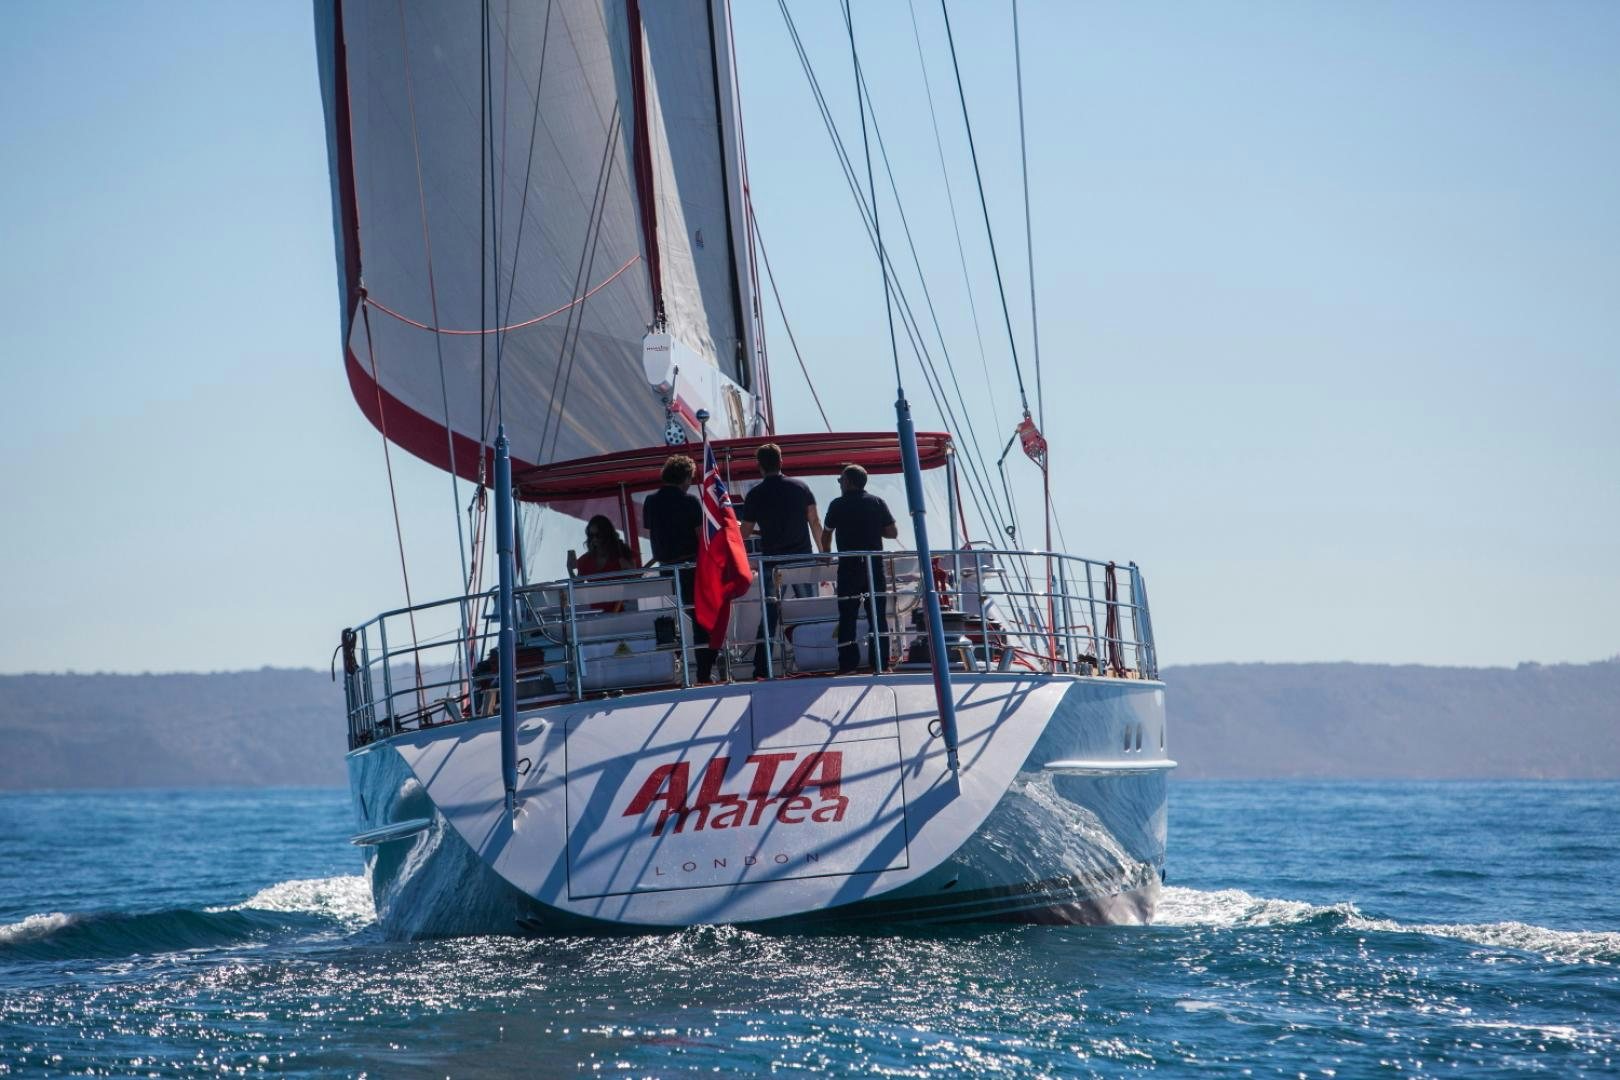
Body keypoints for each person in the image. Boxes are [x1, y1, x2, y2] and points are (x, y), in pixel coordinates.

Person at [739, 442, 821, 679]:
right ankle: (815, 658)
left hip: (772, 562)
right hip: (802, 559)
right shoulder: (801, 488)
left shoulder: (755, 494)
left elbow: (744, 532)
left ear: (760, 467)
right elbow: (814, 522)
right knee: (810, 610)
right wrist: (825, 551)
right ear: (781, 461)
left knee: (770, 615)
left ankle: (761, 668)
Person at [641, 454, 717, 682]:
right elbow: (699, 537)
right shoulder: (690, 502)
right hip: (690, 568)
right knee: (703, 621)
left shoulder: (650, 501)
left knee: (686, 619)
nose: (690, 483)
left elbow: (650, 531)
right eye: (690, 478)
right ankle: (703, 673)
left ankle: (680, 671)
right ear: (684, 477)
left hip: (666, 569)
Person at [820, 463, 898, 674]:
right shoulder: (877, 502)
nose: (839, 484)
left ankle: (847, 665)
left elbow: (826, 534)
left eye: (840, 480)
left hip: (849, 567)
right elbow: (892, 533)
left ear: (847, 482)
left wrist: (826, 554)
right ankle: (881, 664)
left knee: (847, 616)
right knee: (877, 616)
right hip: (874, 566)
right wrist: (873, 528)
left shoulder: (837, 505)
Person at [567, 514, 636, 612]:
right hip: (597, 616)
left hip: (622, 613)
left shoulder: (622, 553)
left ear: (607, 535)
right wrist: (570, 570)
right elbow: (577, 587)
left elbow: (637, 581)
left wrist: (627, 567)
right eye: (591, 536)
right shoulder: (586, 560)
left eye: (598, 535)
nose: (594, 539)